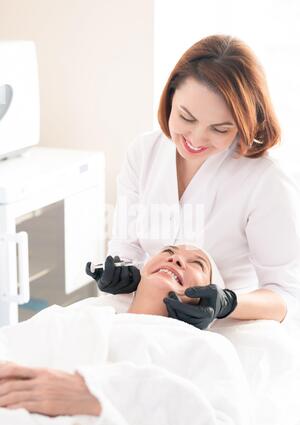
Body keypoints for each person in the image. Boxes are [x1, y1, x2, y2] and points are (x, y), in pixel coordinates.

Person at [87, 34, 300, 328]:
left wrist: (227, 303)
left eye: (220, 128)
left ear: (243, 124)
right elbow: (127, 248)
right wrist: (121, 274)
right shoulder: (144, 153)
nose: (196, 139)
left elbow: (287, 296)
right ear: (170, 96)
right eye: (186, 118)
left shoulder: (266, 181)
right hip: (141, 319)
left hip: (225, 331)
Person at [0, 245, 246, 425]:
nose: (177, 258)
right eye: (168, 251)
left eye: (198, 264)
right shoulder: (78, 315)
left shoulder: (208, 348)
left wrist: (94, 396)